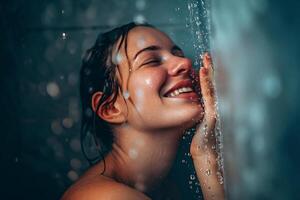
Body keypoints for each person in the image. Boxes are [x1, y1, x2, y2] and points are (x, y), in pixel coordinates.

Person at [62, 22, 225, 200]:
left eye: (178, 54)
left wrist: (204, 152)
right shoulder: (105, 197)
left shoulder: (165, 188)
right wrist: (206, 157)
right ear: (111, 108)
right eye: (152, 61)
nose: (185, 62)